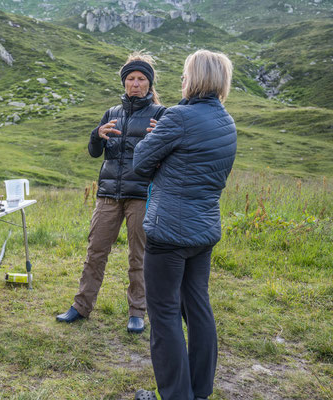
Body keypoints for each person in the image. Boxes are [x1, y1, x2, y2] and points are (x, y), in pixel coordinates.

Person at [132, 50, 237, 399]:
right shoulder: (226, 122)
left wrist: (157, 137)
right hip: (203, 231)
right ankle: (199, 390)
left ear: (198, 78)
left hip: (168, 233)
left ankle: (176, 395)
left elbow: (140, 163)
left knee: (163, 315)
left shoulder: (178, 117)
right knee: (198, 308)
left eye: (185, 74)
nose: (181, 80)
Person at [56, 52, 166, 333]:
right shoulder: (111, 113)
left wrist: (161, 139)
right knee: (95, 251)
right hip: (108, 194)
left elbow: (169, 157)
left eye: (142, 79)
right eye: (131, 79)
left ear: (150, 84)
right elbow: (95, 153)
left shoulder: (160, 114)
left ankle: (137, 312)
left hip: (141, 195)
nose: (136, 84)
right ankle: (81, 307)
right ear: (124, 83)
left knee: (138, 256)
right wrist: (96, 134)